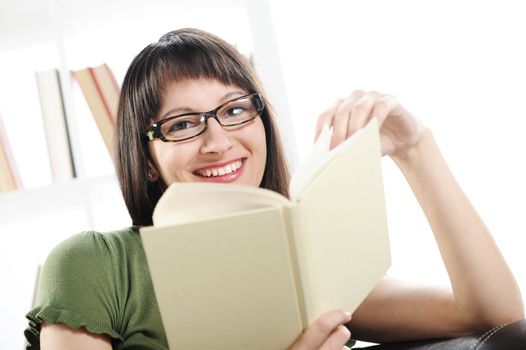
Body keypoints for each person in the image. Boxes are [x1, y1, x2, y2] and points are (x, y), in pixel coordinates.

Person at [25, 28, 524, 350]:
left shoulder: (304, 261)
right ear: (148, 159)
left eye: (236, 110)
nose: (219, 141)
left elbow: (496, 317)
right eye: (182, 125)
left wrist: (417, 149)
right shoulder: (96, 264)